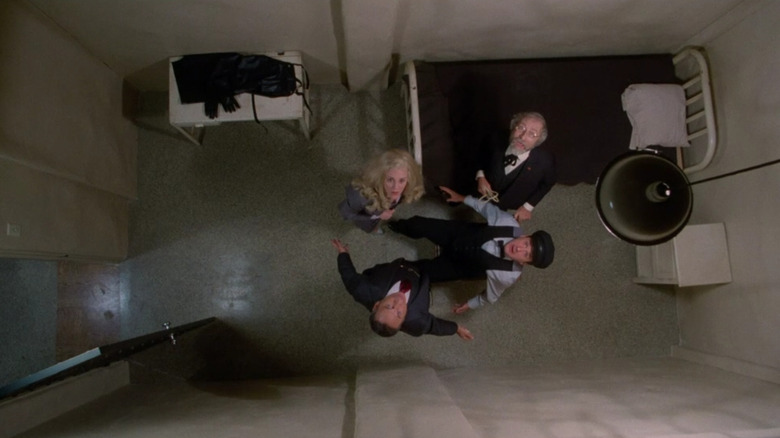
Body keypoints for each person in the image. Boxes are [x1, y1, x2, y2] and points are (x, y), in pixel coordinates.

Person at [388, 186, 554, 314]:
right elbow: (484, 208)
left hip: (457, 266)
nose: (519, 248)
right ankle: (394, 225)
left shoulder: (507, 276)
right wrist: (460, 197)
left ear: (523, 262)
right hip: (456, 234)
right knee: (417, 224)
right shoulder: (508, 223)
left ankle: (391, 270)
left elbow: (490, 297)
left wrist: (469, 304)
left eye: (526, 254)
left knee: (417, 274)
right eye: (526, 243)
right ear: (526, 235)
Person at [331, 238, 473, 340]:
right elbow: (433, 326)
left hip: (400, 268)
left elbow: (349, 277)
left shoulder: (363, 290)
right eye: (399, 313)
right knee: (446, 269)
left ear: (377, 304)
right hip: (422, 278)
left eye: (388, 306)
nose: (398, 302)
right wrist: (456, 329)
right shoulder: (417, 321)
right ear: (405, 319)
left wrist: (343, 253)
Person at [475, 112, 556, 222]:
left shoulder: (545, 162)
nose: (522, 137)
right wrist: (481, 176)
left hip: (514, 200)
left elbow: (547, 184)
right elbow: (482, 154)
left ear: (538, 141)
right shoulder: (495, 138)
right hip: (483, 192)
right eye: (521, 128)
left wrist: (527, 207)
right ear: (513, 127)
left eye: (532, 134)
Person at [338, 149, 424, 233]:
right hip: (368, 218)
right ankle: (373, 229)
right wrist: (377, 216)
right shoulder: (361, 196)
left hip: (380, 212)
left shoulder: (408, 188)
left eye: (402, 180)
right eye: (390, 180)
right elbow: (345, 213)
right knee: (368, 227)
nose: (396, 188)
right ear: (380, 177)